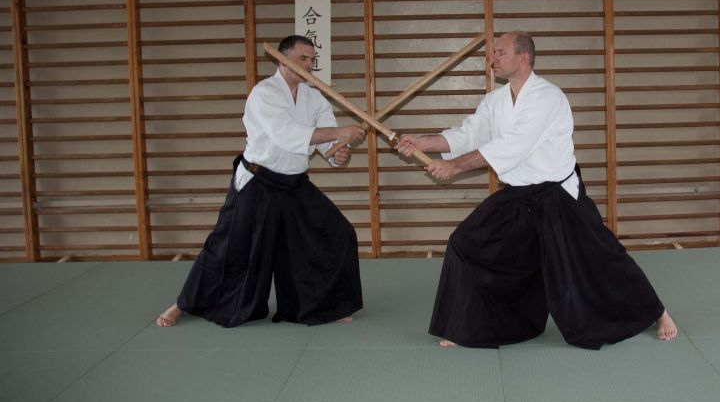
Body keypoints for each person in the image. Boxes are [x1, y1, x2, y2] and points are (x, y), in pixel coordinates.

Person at [396, 31, 678, 349]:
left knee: (599, 259)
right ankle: (472, 328)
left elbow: (513, 145)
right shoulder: (495, 101)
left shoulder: (548, 98)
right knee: (466, 243)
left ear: (524, 58)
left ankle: (657, 312)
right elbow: (468, 134)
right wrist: (424, 143)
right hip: (518, 195)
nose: (493, 58)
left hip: (558, 196)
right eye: (494, 52)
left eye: (501, 52)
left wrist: (455, 167)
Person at [156, 35, 366, 328]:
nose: (309, 64)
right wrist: (338, 134)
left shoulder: (313, 96)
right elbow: (286, 135)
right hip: (259, 180)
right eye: (303, 58)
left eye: (311, 59)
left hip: (294, 183)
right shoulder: (264, 93)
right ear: (282, 60)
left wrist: (337, 153)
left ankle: (326, 305)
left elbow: (327, 138)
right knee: (230, 247)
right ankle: (183, 303)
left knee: (336, 233)